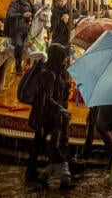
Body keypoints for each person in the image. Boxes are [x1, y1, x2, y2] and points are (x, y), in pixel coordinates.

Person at [26, 44, 73, 187]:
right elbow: (47, 96)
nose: (65, 59)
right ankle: (39, 172)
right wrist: (60, 108)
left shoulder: (60, 71)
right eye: (63, 56)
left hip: (53, 114)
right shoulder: (47, 73)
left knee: (52, 143)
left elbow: (61, 94)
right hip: (45, 114)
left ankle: (44, 173)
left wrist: (66, 87)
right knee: (42, 143)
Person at [7, 0, 37, 73]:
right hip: (18, 29)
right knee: (19, 45)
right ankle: (18, 63)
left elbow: (36, 12)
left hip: (28, 29)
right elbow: (10, 14)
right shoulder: (15, 3)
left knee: (36, 44)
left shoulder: (30, 4)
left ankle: (31, 66)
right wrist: (22, 15)